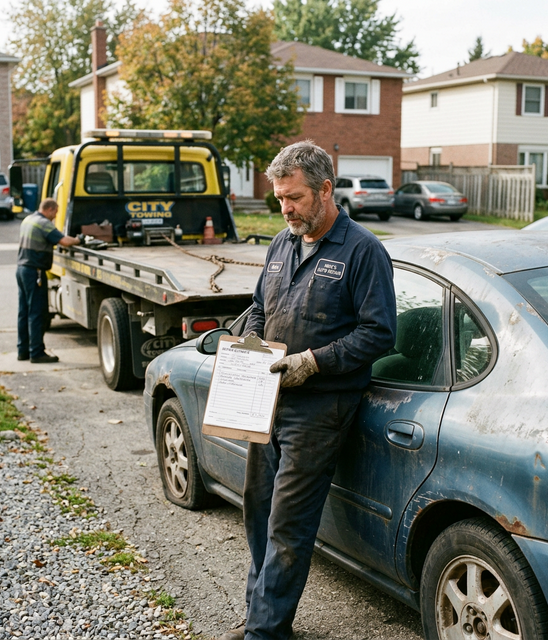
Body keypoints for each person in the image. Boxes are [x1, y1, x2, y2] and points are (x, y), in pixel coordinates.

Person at [217, 141, 397, 640]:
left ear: (324, 188)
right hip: (268, 399)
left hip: (321, 406)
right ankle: (263, 617)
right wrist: (250, 341)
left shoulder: (363, 251)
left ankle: (264, 633)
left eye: (294, 197)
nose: (286, 208)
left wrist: (313, 361)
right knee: (256, 512)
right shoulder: (281, 244)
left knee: (287, 524)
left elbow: (379, 333)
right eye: (279, 199)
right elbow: (259, 306)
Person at [16, 197, 82, 364]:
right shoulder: (43, 223)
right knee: (37, 313)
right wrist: (79, 239)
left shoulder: (28, 219)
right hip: (35, 272)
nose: (55, 217)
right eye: (55, 213)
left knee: (24, 312)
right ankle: (37, 352)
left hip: (22, 269)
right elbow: (64, 241)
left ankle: (23, 351)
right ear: (50, 209)